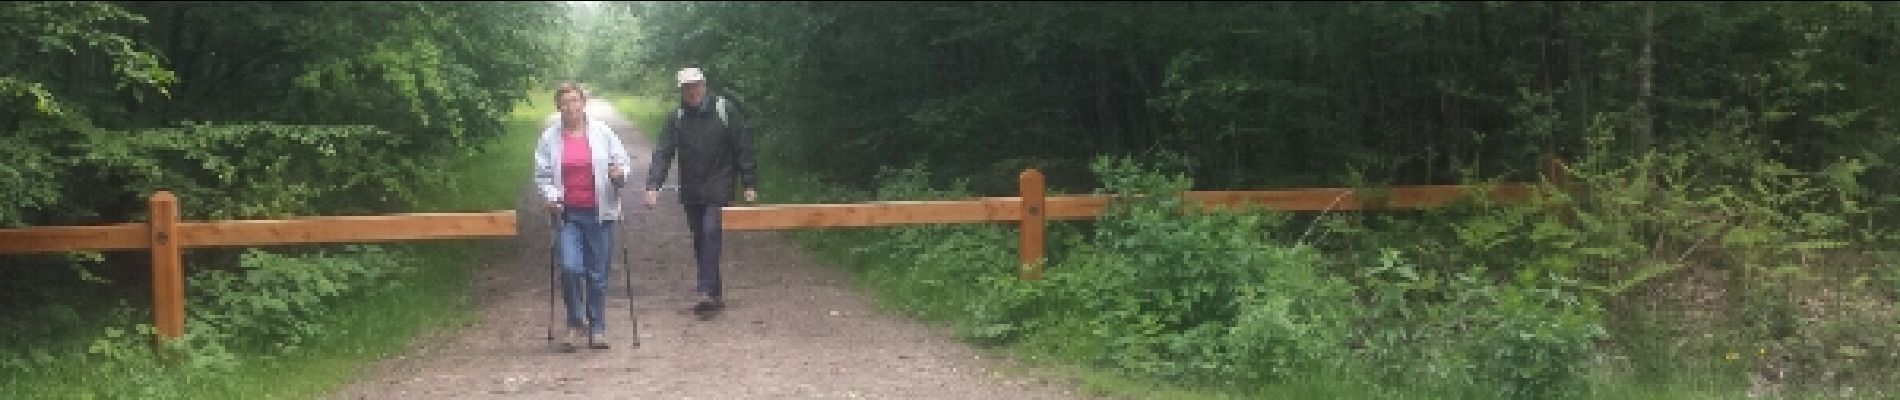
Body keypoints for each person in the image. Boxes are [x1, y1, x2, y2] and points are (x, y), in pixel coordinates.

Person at [645, 67, 757, 318]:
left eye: (696, 86)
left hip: (720, 184)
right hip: (692, 189)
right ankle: (715, 293)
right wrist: (653, 185)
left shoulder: (724, 111)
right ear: (682, 90)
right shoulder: (677, 118)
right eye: (687, 88)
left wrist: (749, 183)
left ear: (704, 85)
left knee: (710, 233)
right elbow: (663, 153)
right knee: (700, 239)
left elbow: (743, 147)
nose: (692, 91)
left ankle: (705, 291)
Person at [534, 84, 633, 349]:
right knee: (570, 267)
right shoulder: (549, 138)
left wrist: (618, 173)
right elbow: (543, 176)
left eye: (575, 101)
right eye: (565, 102)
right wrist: (552, 196)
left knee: (597, 274)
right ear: (558, 107)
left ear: (583, 103)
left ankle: (597, 327)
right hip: (568, 214)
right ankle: (575, 322)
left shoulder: (602, 132)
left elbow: (623, 163)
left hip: (600, 213)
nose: (571, 107)